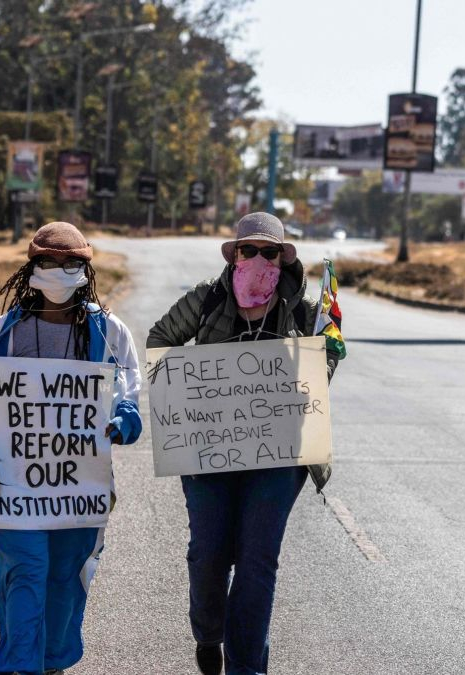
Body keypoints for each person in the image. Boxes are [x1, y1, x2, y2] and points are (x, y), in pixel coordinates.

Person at [147, 212, 342, 675]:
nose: (258, 258)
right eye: (248, 250)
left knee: (258, 562)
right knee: (209, 554)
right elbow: (159, 340)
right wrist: (188, 394)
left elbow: (326, 359)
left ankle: (246, 667)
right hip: (209, 452)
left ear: (282, 258)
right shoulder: (206, 299)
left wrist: (317, 369)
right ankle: (208, 633)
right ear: (234, 256)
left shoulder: (303, 311)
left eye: (269, 251)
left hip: (281, 456)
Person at [0, 222, 143, 675]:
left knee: (65, 575)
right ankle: (20, 665)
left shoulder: (109, 331)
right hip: (13, 486)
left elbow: (129, 391)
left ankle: (53, 662)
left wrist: (125, 419)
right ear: (32, 267)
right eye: (49, 261)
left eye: (70, 263)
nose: (60, 270)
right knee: (26, 569)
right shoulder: (6, 331)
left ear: (85, 268)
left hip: (79, 488)